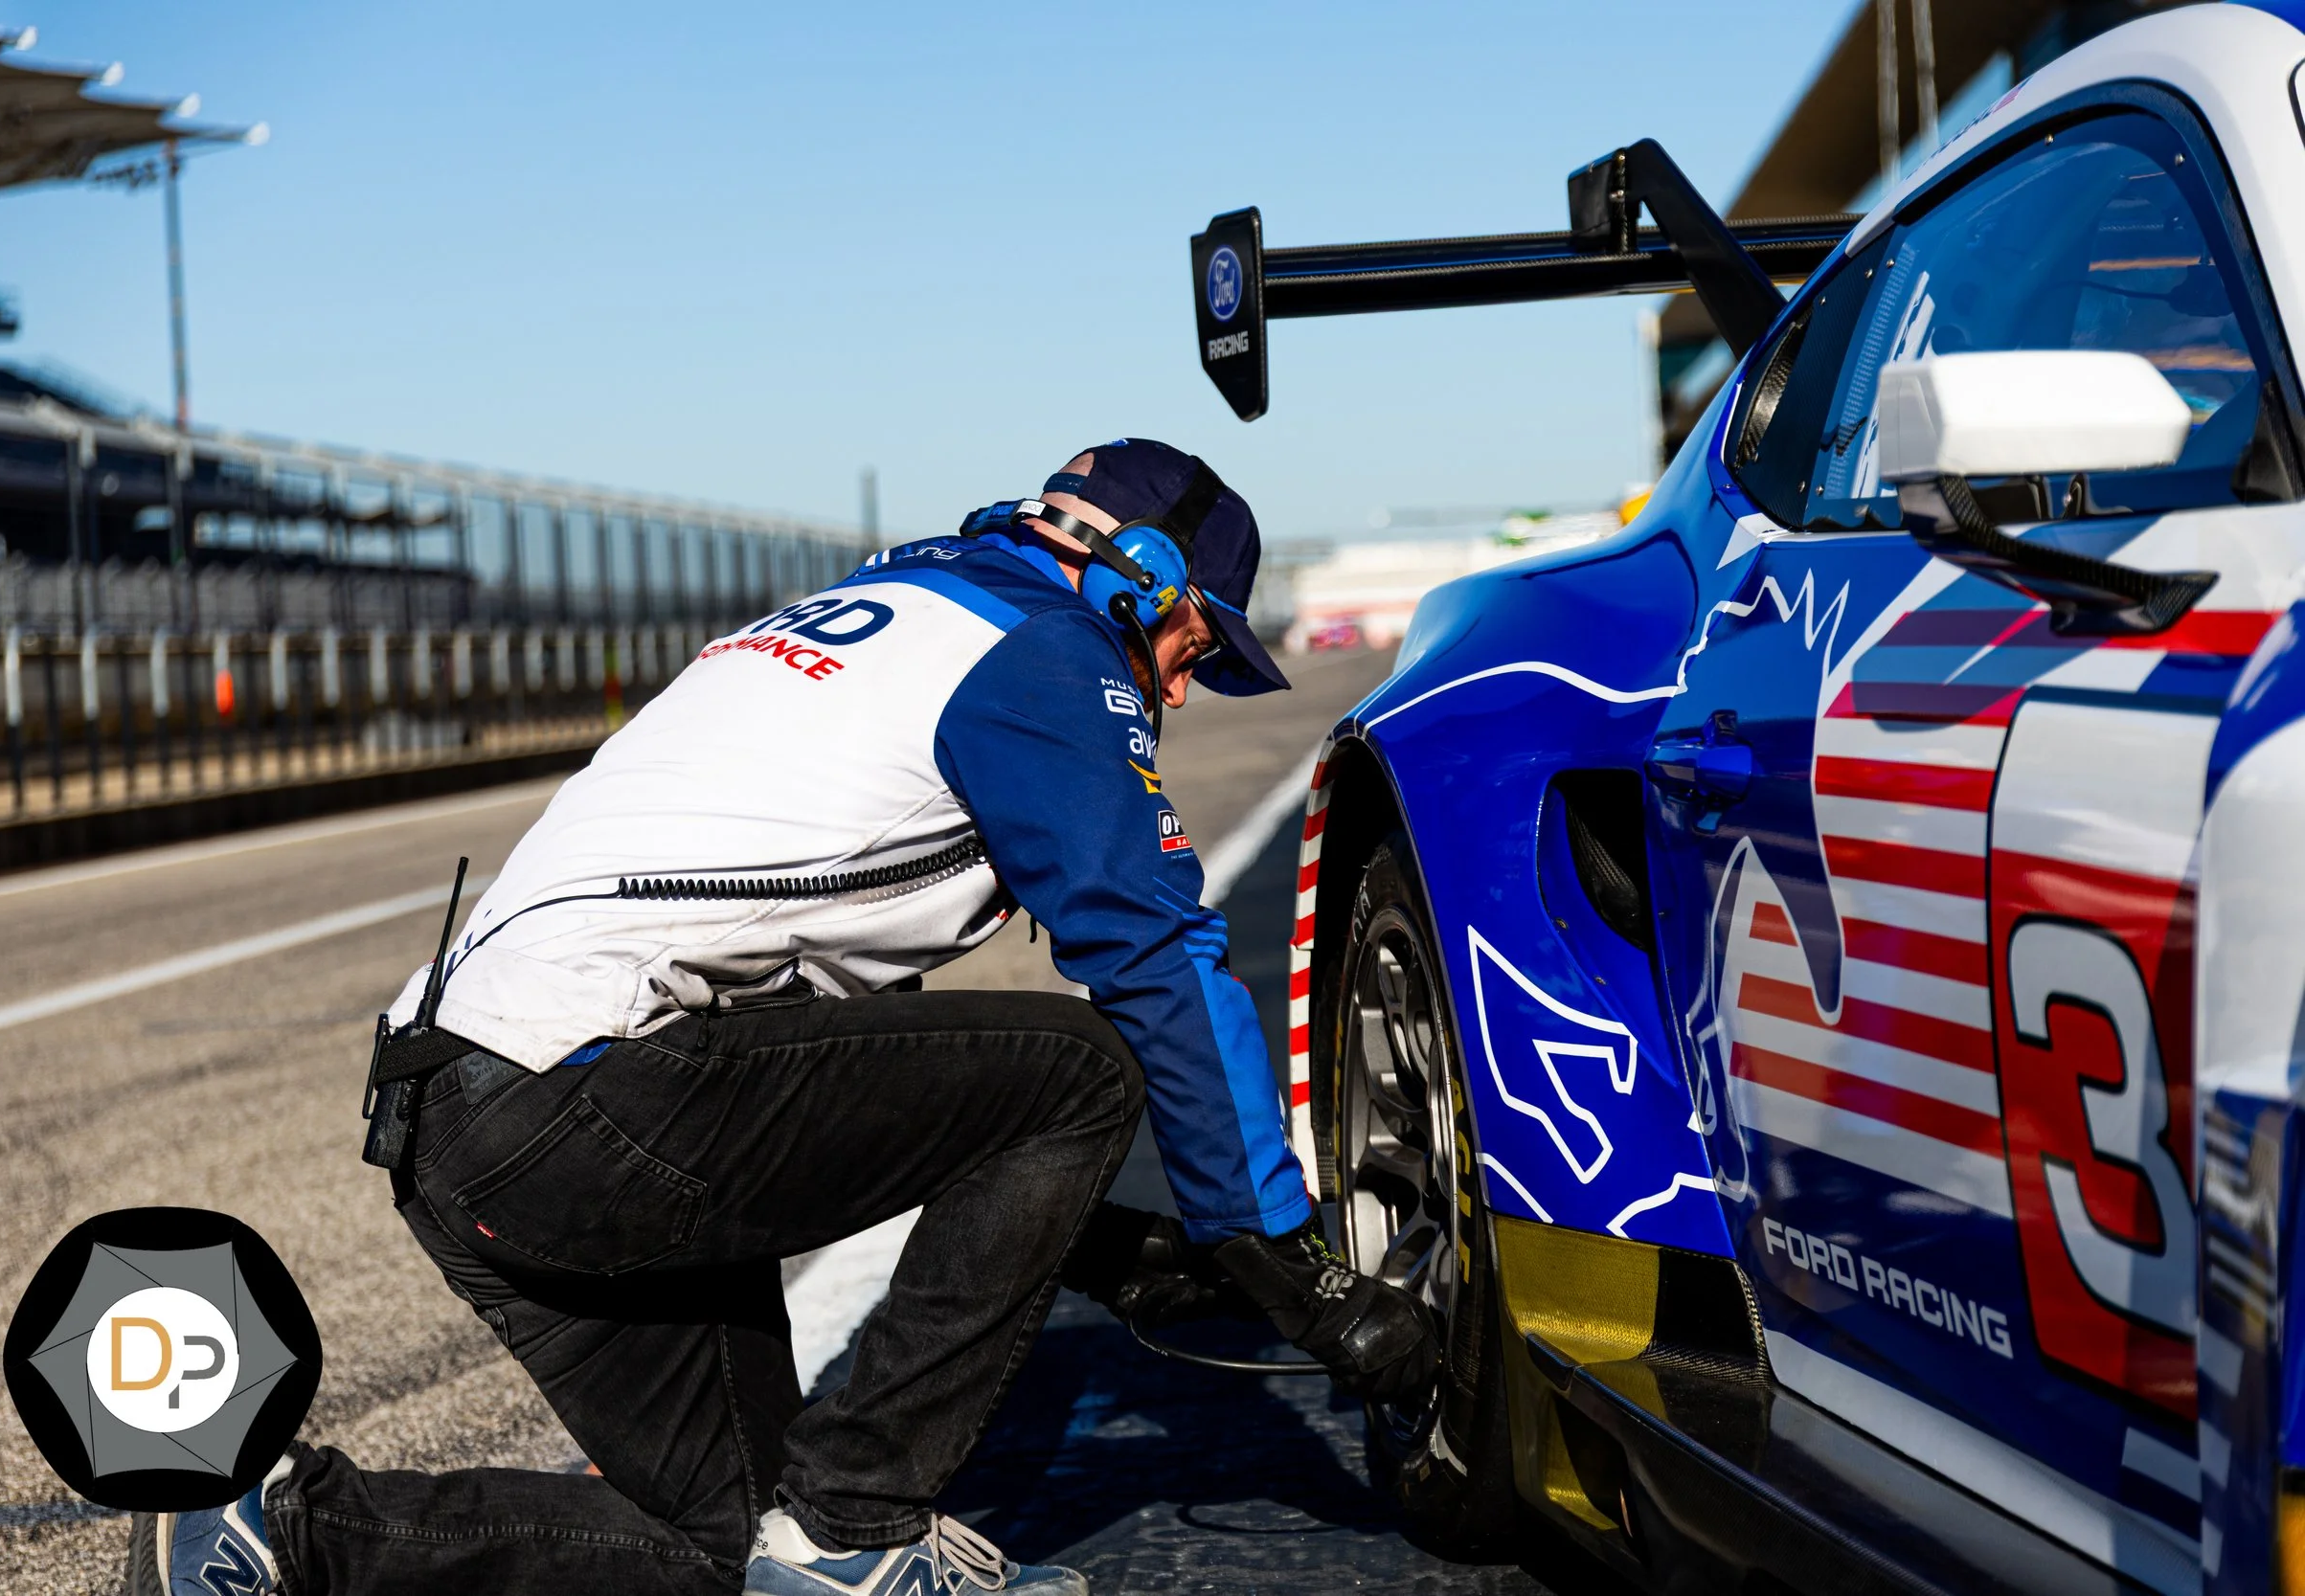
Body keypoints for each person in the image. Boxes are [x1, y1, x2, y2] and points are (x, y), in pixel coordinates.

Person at [136, 438, 1438, 1596]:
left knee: (734, 1547)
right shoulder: (1042, 649)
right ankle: (860, 1527)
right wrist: (1278, 1252)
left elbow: (851, 1083)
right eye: (1193, 649)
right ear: (1138, 578)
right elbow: (1155, 949)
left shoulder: (891, 611)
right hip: (585, 1090)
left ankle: (279, 1531)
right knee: (1082, 1073)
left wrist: (1085, 1243)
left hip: (457, 1119)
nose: (1183, 691)